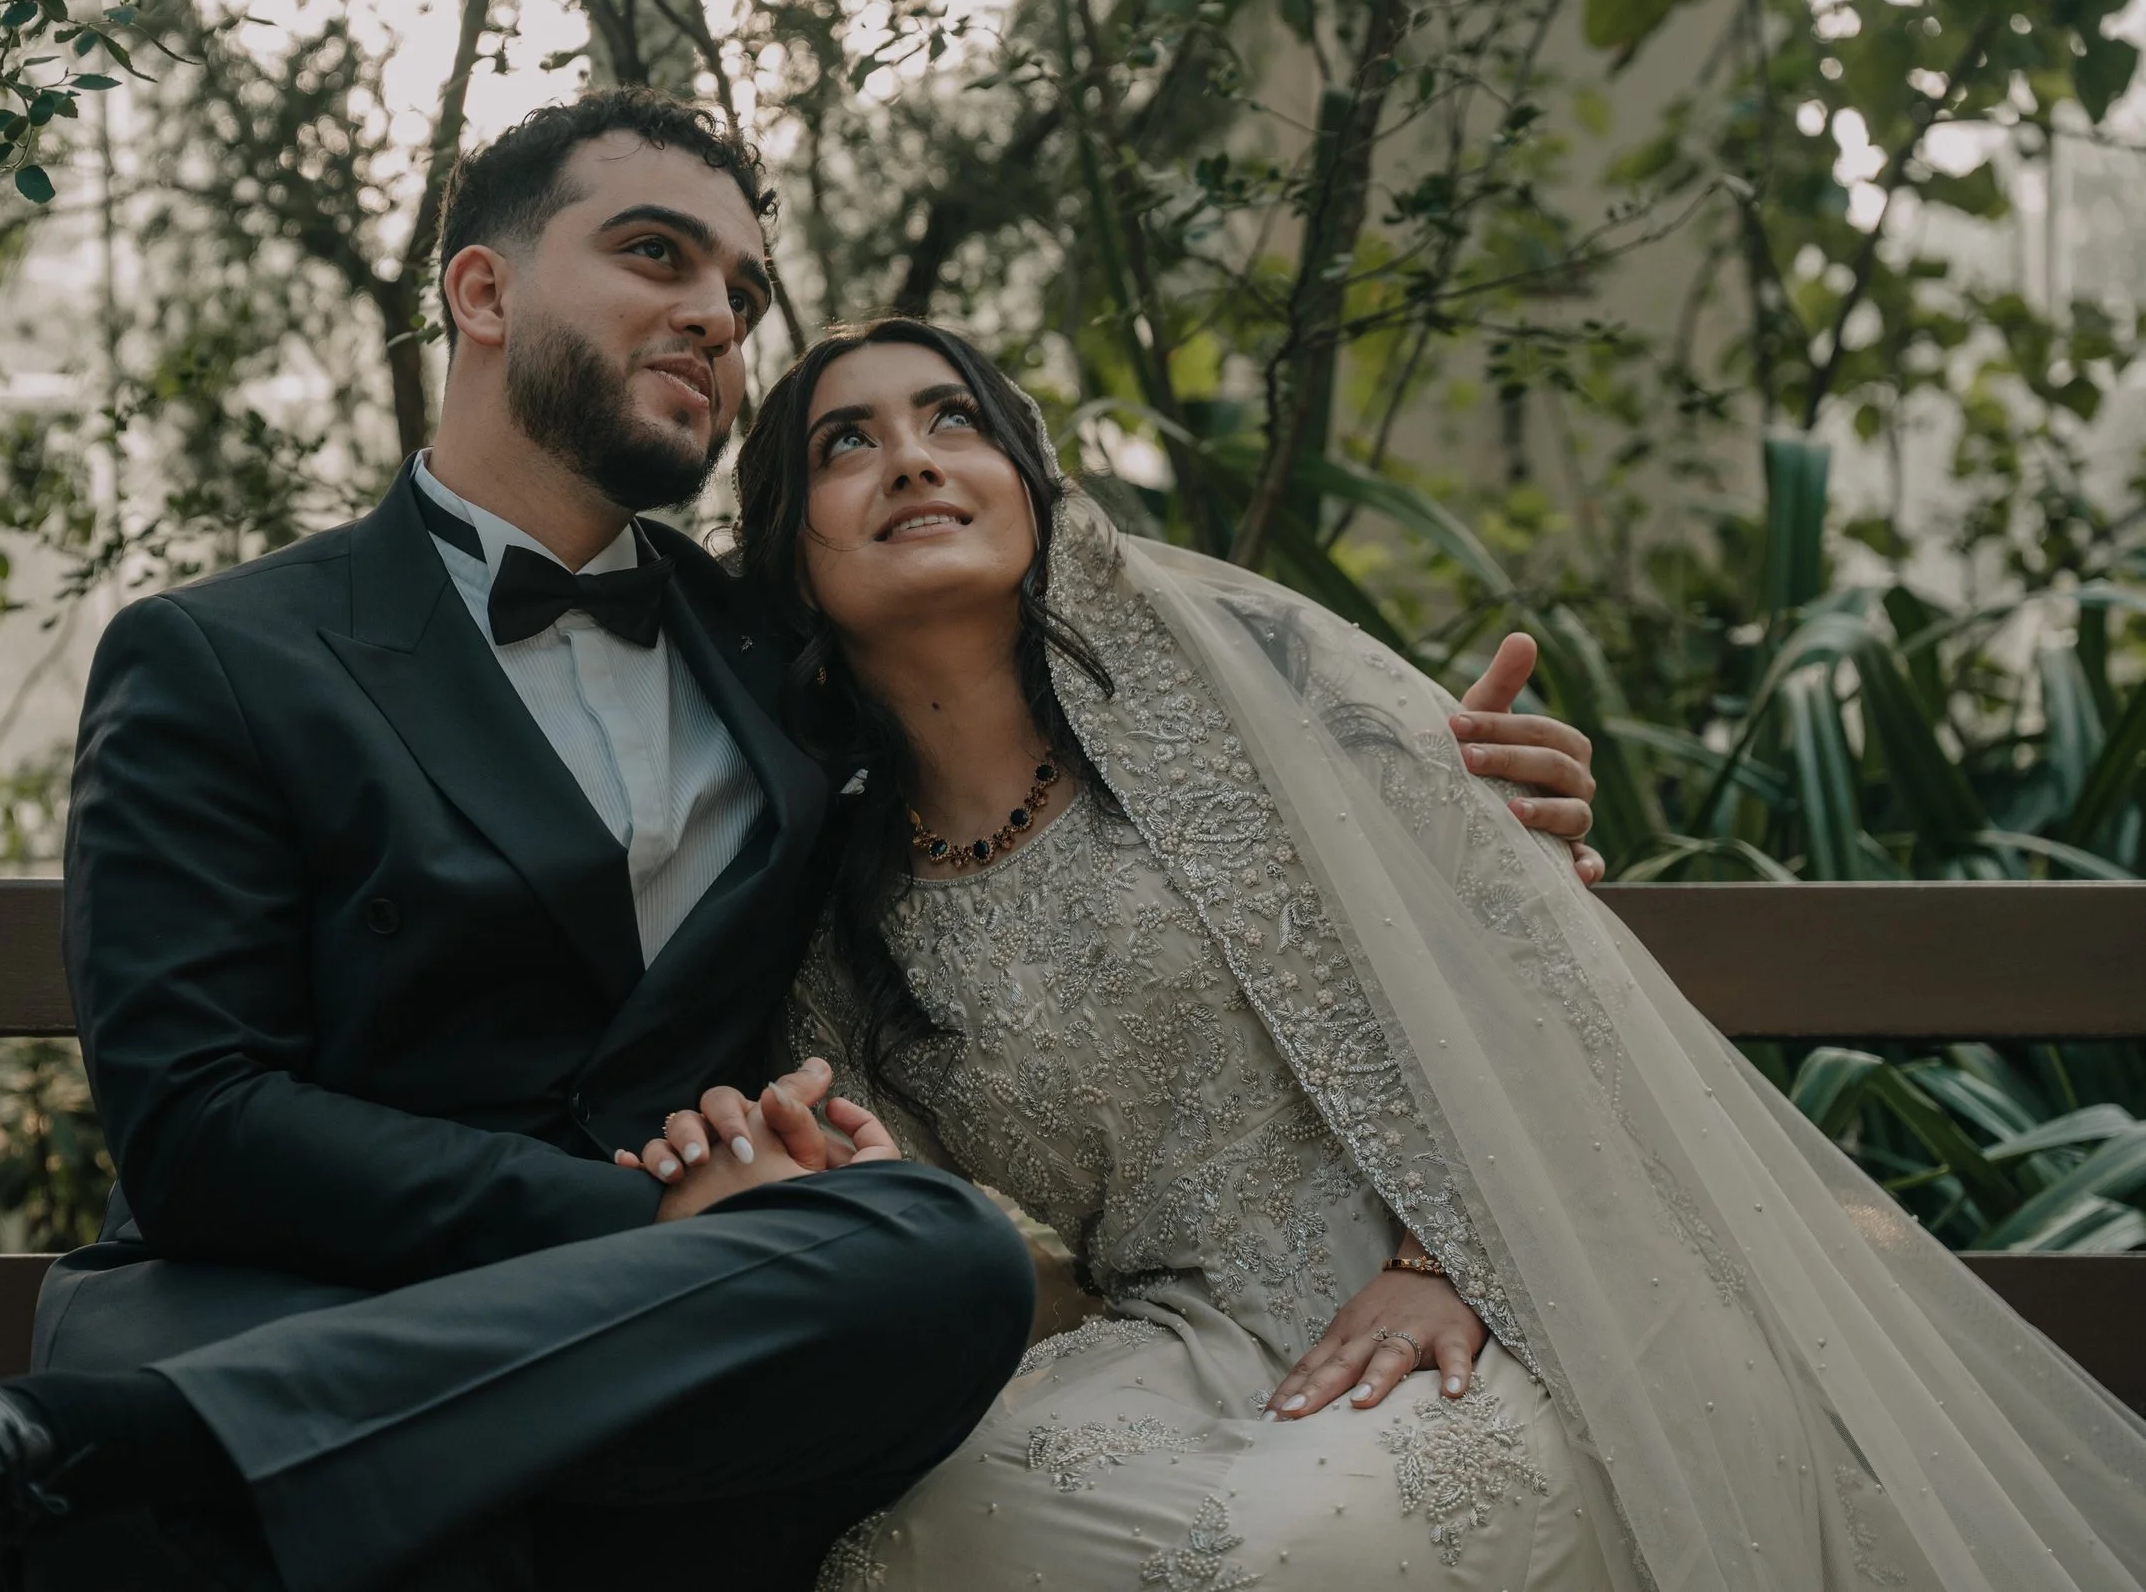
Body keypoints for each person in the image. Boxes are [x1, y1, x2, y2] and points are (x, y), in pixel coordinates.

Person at [0, 96, 1604, 1592]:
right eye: (654, 254)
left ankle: (53, 1444)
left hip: (711, 1342)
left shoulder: (789, 672)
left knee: (934, 1256)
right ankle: (101, 1444)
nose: (718, 310)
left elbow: (1032, 788)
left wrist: (1441, 814)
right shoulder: (227, 654)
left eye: (739, 284)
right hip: (301, 1294)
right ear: (480, 292)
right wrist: (640, 1212)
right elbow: (199, 1116)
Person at [625, 315, 2146, 1591]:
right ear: (788, 547)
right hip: (1180, 1346)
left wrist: (1445, 1251)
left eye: (954, 419)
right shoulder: (836, 913)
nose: (909, 457)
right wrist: (805, 1187)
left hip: (1512, 1279)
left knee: (1289, 1555)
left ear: (1032, 489)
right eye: (845, 441)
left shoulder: (1258, 711)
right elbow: (978, 1245)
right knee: (906, 1539)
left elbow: (1541, 1000)